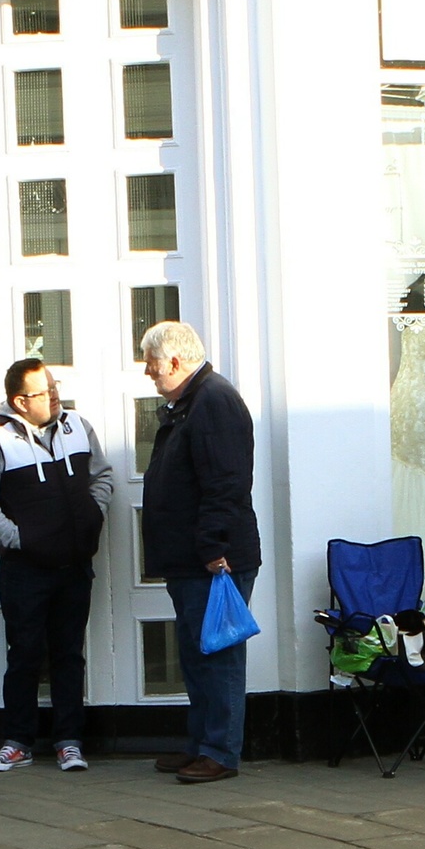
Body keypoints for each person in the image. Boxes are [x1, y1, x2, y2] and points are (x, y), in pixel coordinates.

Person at [0, 355, 113, 775]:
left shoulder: (77, 426)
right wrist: (20, 539)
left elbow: (101, 477)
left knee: (69, 653)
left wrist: (93, 515)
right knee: (25, 654)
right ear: (18, 400)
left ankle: (69, 741)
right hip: (24, 570)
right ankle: (18, 742)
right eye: (43, 391)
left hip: (74, 565)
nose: (54, 395)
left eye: (54, 386)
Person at [139, 319, 260, 785]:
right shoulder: (191, 402)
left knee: (218, 654)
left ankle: (220, 752)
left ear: (174, 360)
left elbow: (225, 482)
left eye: (152, 365)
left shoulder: (213, 401)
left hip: (214, 558)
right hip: (190, 557)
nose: (148, 374)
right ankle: (200, 743)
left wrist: (213, 546)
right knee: (196, 653)